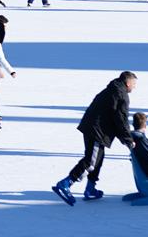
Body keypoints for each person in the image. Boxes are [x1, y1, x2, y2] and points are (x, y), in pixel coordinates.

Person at [52, 71, 138, 206]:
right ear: (128, 83)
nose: (134, 87)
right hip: (97, 130)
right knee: (91, 161)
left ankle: (90, 189)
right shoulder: (121, 95)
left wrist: (125, 138)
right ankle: (65, 184)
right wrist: (128, 140)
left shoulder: (112, 89)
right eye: (134, 84)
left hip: (92, 127)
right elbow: (121, 120)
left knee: (97, 159)